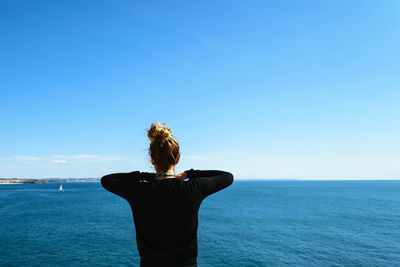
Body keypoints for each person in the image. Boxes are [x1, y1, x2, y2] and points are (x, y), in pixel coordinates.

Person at [101, 122, 234, 267]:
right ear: (177, 158)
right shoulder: (193, 188)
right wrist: (190, 174)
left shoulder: (139, 190)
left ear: (152, 160)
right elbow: (227, 177)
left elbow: (107, 180)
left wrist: (146, 176)